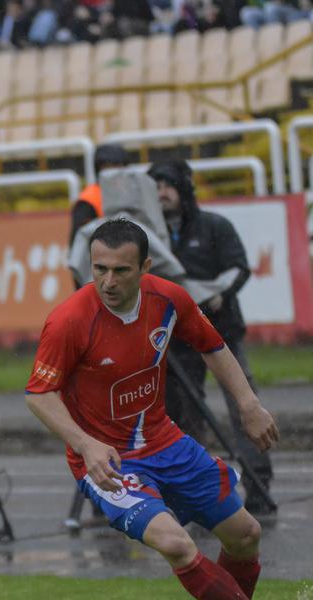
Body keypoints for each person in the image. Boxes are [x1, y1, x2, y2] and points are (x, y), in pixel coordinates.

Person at [25, 218, 311, 600]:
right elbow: (38, 394)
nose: (107, 281)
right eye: (99, 269)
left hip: (165, 442)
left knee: (246, 534)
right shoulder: (69, 320)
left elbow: (213, 346)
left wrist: (248, 404)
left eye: (120, 270)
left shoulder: (169, 299)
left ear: (146, 267)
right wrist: (85, 443)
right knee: (177, 544)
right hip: (109, 462)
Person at [148, 159, 274, 514]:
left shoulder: (214, 226)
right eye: (155, 187)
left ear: (184, 189)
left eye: (168, 185)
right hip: (177, 342)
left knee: (244, 406)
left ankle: (259, 484)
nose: (162, 194)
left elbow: (239, 267)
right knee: (184, 416)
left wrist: (218, 294)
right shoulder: (148, 238)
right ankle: (199, 489)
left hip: (223, 334)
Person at [69, 144, 131, 252]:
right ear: (99, 170)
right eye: (109, 167)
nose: (114, 172)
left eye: (118, 166)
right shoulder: (88, 200)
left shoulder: (131, 192)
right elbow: (78, 244)